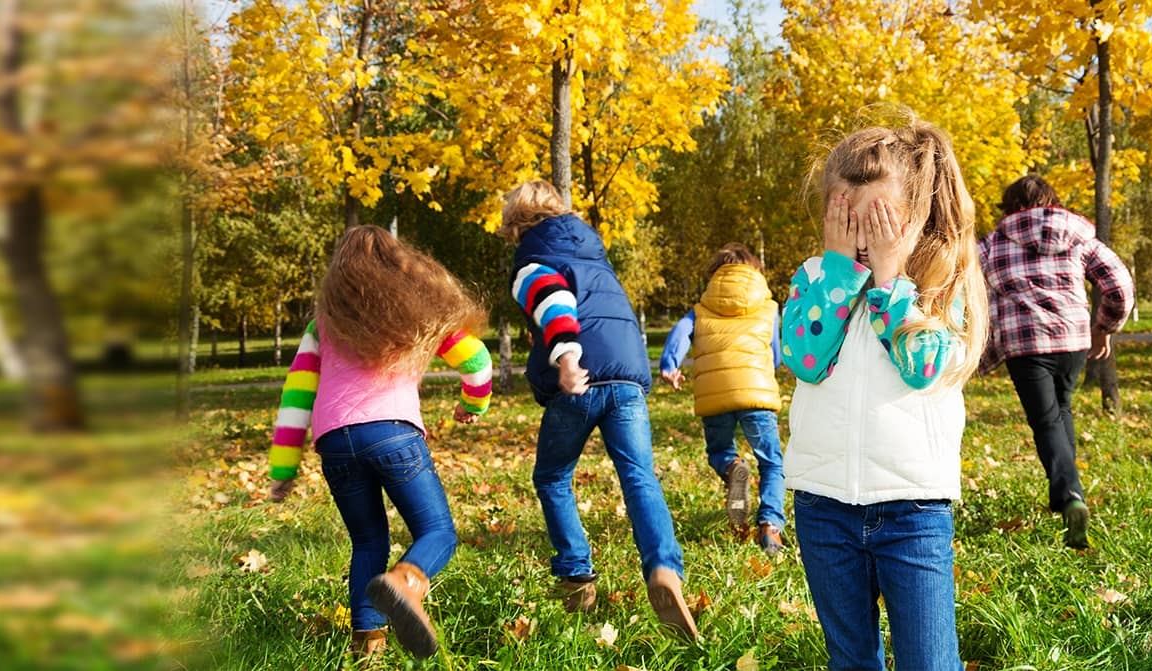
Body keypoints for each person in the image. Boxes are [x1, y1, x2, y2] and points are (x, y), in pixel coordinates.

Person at [779, 120, 989, 671]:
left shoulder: (941, 286)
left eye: (878, 221)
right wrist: (837, 274)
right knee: (850, 658)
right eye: (847, 219)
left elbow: (923, 368)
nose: (863, 239)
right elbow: (803, 359)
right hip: (823, 505)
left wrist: (894, 282)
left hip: (912, 507)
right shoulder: (816, 278)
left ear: (915, 219)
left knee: (929, 659)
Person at [263, 226, 495, 659]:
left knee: (368, 542)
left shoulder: (321, 327)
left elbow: (295, 399)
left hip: (335, 444)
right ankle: (406, 581)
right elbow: (479, 363)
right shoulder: (413, 313)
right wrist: (472, 406)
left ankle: (367, 647)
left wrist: (282, 470)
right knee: (437, 531)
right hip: (393, 434)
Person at [498, 180, 700, 640]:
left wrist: (567, 359)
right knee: (639, 476)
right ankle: (664, 570)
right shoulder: (595, 255)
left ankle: (576, 576)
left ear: (517, 222)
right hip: (627, 376)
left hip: (581, 379)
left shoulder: (534, 256)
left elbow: (554, 301)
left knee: (551, 476)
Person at [978, 175, 1135, 549]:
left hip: (1025, 343)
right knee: (1061, 409)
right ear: (1052, 201)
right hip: (1073, 341)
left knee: (1046, 420)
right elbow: (1119, 285)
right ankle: (1064, 490)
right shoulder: (1078, 236)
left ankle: (1069, 495)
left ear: (1009, 207)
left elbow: (968, 291)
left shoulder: (990, 246)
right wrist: (1105, 328)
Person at [657, 243, 787, 554]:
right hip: (756, 394)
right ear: (754, 273)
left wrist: (669, 366)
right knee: (771, 462)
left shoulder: (700, 309)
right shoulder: (768, 308)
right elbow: (776, 355)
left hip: (715, 394)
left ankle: (731, 467)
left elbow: (679, 334)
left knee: (719, 450)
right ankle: (770, 526)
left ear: (716, 275)